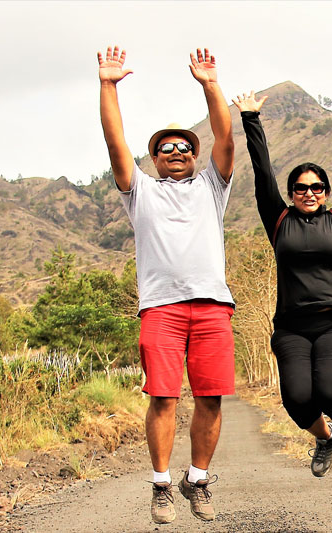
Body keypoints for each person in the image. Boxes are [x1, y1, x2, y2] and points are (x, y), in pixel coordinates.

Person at [97, 45, 236, 524]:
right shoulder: (141, 193)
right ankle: (161, 487)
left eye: (183, 148)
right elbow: (116, 143)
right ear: (153, 160)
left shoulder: (212, 187)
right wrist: (108, 86)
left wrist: (211, 86)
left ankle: (197, 480)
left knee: (211, 397)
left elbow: (225, 136)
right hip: (161, 308)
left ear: (195, 157)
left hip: (214, 306)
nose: (175, 152)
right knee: (163, 397)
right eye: (164, 149)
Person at [233, 88, 332, 478]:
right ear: (291, 194)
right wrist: (251, 119)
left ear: (327, 193)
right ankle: (326, 437)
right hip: (293, 328)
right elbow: (262, 173)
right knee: (297, 400)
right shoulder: (279, 221)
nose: (309, 192)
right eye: (301, 188)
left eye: (317, 187)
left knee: (331, 391)